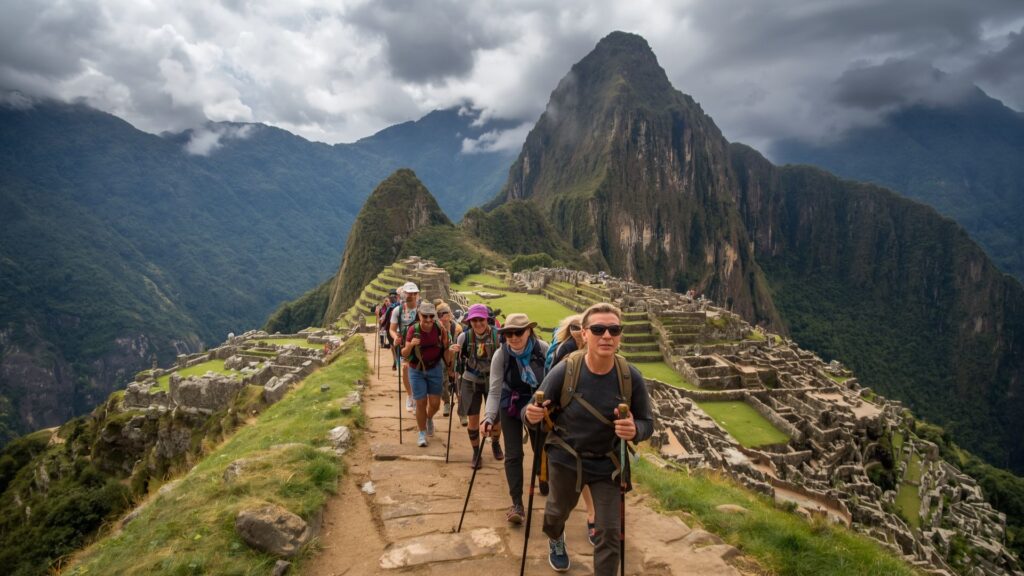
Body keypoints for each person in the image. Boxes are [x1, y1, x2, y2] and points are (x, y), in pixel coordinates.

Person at [524, 302, 654, 574]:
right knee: (556, 514)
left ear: (620, 335)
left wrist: (635, 430)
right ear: (584, 334)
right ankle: (556, 537)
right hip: (566, 458)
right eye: (598, 329)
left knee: (610, 531)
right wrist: (532, 414)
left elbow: (646, 423)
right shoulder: (566, 370)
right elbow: (531, 408)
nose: (606, 335)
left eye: (614, 329)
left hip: (608, 464)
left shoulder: (630, 377)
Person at [481, 313, 549, 524]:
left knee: (542, 448)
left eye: (518, 332)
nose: (513, 337)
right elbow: (493, 390)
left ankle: (542, 473)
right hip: (510, 403)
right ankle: (517, 504)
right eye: (508, 333)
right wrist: (489, 417)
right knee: (513, 454)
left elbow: (554, 381)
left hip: (538, 404)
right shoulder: (501, 355)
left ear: (529, 330)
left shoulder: (543, 350)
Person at [547, 314, 598, 546]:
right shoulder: (566, 352)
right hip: (566, 427)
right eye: (576, 328)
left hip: (595, 429)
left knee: (588, 474)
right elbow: (550, 390)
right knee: (563, 495)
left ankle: (593, 515)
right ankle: (557, 535)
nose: (579, 332)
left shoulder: (604, 355)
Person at [450, 304, 503, 469]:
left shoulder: (498, 337)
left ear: (487, 319)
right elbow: (458, 364)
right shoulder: (463, 338)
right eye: (474, 320)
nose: (478, 323)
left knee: (495, 420)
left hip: (493, 381)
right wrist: (454, 354)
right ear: (469, 321)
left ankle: (495, 442)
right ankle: (476, 452)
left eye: (481, 319)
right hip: (470, 380)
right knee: (472, 419)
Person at [400, 301, 452, 447]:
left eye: (431, 316)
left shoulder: (439, 329)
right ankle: (422, 433)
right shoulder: (412, 330)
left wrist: (450, 366)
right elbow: (404, 353)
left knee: (435, 404)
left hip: (435, 368)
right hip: (416, 369)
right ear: (419, 315)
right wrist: (410, 345)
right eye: (425, 316)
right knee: (421, 402)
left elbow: (445, 349)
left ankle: (429, 418)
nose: (428, 320)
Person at [389, 282, 420, 411]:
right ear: (404, 293)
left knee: (419, 371)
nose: (411, 296)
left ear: (417, 295)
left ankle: (418, 397)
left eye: (413, 293)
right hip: (404, 345)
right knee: (405, 370)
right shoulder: (398, 310)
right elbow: (392, 329)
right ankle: (410, 395)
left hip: (419, 344)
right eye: (408, 293)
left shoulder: (421, 310)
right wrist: (395, 337)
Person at [435, 300, 463, 418]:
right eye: (440, 314)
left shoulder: (457, 328)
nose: (443, 316)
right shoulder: (436, 328)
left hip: (455, 357)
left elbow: (460, 346)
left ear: (450, 313)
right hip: (441, 357)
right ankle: (446, 402)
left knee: (458, 383)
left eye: (445, 313)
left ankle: (462, 410)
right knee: (442, 381)